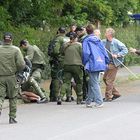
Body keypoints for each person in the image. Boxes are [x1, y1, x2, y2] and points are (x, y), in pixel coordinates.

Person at [0, 32, 25, 124]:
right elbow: (21, 64)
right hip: (11, 76)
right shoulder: (16, 50)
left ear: (3, 40)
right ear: (12, 40)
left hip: (0, 77)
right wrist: (17, 71)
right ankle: (12, 117)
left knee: (0, 96)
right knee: (13, 96)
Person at [82, 24, 110, 108]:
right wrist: (106, 61)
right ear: (93, 31)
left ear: (86, 31)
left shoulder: (86, 40)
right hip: (100, 62)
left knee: (94, 83)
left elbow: (86, 53)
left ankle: (99, 101)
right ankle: (89, 101)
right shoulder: (98, 40)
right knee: (92, 82)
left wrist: (84, 62)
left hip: (92, 63)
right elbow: (104, 51)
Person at [102, 28, 128, 101]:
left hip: (114, 63)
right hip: (107, 63)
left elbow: (125, 50)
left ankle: (108, 97)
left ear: (110, 34)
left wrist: (117, 55)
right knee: (105, 79)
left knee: (109, 80)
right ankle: (116, 93)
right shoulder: (104, 41)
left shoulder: (116, 42)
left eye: (106, 32)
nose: (105, 33)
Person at [58, 33, 83, 105]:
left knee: (66, 82)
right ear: (75, 38)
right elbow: (82, 55)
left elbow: (61, 53)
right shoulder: (79, 45)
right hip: (77, 65)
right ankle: (79, 99)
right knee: (78, 82)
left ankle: (60, 97)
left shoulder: (65, 45)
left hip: (66, 65)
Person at [48, 27, 70, 102]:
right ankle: (68, 96)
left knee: (56, 77)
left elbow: (55, 51)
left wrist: (57, 56)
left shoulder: (57, 39)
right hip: (68, 60)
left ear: (58, 31)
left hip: (58, 61)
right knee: (67, 78)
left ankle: (55, 96)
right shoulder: (68, 39)